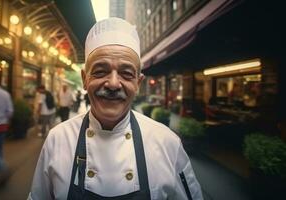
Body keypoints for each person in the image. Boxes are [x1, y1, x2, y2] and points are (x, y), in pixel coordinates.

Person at [28, 18, 203, 199]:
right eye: (100, 71)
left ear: (138, 83)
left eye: (126, 73)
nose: (113, 84)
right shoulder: (57, 139)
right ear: (85, 79)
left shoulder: (168, 143)